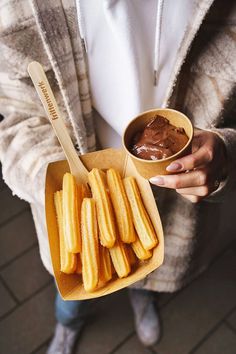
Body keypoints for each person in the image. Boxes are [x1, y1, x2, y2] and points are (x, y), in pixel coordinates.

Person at [0, 0, 236, 353]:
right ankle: (68, 323)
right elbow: (17, 116)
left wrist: (224, 150)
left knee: (147, 274)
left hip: (172, 199)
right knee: (74, 296)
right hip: (76, 205)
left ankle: (143, 298)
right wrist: (65, 191)